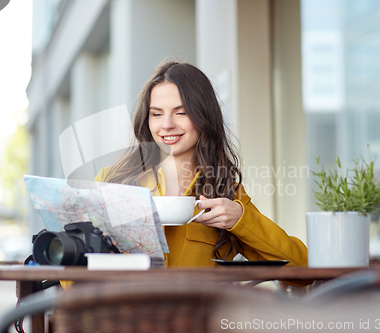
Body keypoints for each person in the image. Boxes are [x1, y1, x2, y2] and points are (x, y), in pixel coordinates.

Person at [96, 61, 308, 270]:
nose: (167, 124)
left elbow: (301, 270)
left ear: (203, 116)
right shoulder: (111, 182)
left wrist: (240, 219)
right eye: (157, 114)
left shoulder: (225, 192)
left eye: (181, 112)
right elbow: (70, 269)